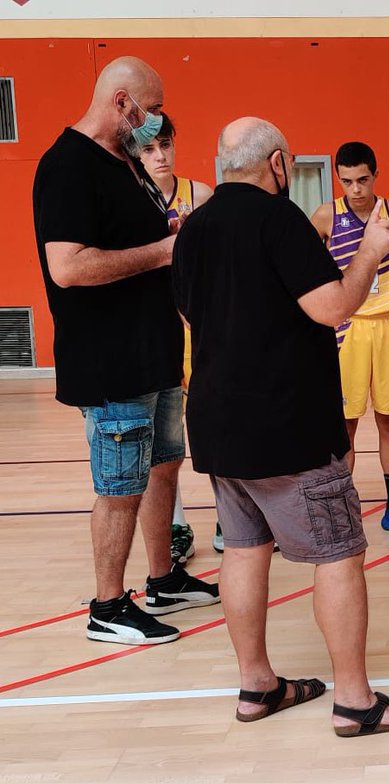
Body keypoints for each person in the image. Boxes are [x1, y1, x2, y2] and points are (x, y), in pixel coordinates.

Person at [172, 117, 389, 736]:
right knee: (339, 553)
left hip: (218, 426)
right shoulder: (279, 218)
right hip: (288, 427)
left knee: (242, 548)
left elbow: (186, 308)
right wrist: (371, 251)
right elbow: (334, 306)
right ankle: (354, 701)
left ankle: (257, 685)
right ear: (280, 163)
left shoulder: (195, 227)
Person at [32, 56, 219, 646]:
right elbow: (67, 267)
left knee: (164, 465)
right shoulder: (67, 165)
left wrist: (169, 235)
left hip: (155, 350)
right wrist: (161, 254)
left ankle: (162, 578)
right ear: (121, 102)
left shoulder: (125, 164)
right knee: (120, 485)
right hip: (111, 360)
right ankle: (108, 607)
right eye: (152, 107)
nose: (155, 121)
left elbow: (131, 241)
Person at [310, 141, 389, 537]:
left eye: (363, 179)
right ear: (339, 180)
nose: (356, 189)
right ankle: (342, 510)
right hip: (346, 332)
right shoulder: (326, 215)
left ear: (375, 175)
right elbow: (306, 272)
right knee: (344, 425)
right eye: (347, 181)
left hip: (388, 328)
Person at [138, 112, 215, 564]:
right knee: (165, 441)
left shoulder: (200, 195)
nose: (160, 155)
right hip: (154, 330)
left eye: (165, 144)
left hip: (199, 327)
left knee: (215, 421)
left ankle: (233, 516)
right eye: (149, 149)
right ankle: (177, 524)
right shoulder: (132, 200)